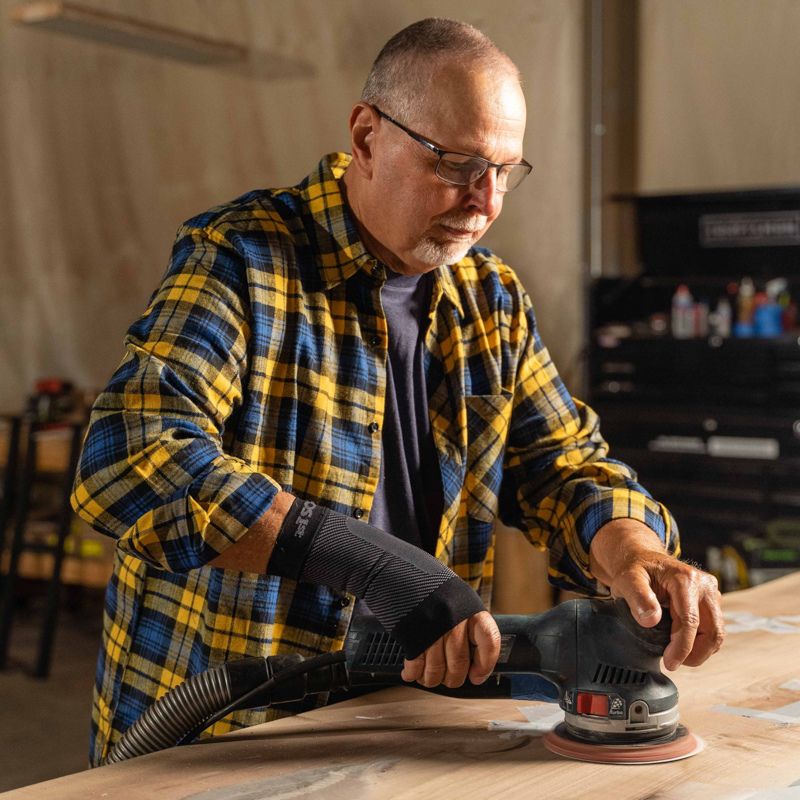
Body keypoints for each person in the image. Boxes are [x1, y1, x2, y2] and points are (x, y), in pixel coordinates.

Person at [71, 17, 724, 767]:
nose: (485, 201)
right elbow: (129, 460)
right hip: (225, 729)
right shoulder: (245, 260)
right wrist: (378, 567)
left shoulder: (493, 299)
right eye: (456, 163)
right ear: (366, 135)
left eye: (505, 170)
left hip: (404, 722)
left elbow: (564, 466)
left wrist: (635, 550)